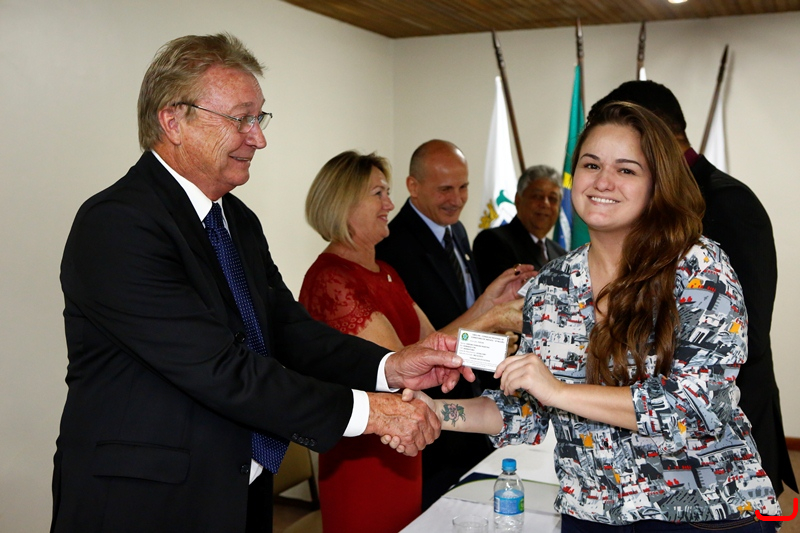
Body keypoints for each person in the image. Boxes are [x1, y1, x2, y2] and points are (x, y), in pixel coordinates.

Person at [51, 33, 472, 533]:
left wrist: (389, 367)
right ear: (173, 121)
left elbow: (288, 330)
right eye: (240, 119)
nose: (258, 138)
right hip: (145, 502)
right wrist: (370, 413)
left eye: (259, 118)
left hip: (238, 487)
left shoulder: (237, 220)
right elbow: (218, 368)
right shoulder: (118, 224)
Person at [396, 102, 782, 530]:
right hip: (590, 514)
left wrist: (558, 391)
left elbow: (692, 406)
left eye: (626, 169)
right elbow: (522, 411)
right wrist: (435, 411)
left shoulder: (698, 268)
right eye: (591, 164)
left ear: (657, 184)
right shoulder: (551, 284)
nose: (602, 181)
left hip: (701, 514)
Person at [298, 150, 531, 533]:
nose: (390, 205)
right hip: (366, 452)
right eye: (378, 194)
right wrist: (493, 319)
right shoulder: (332, 278)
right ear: (344, 203)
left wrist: (490, 302)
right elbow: (401, 362)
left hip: (406, 440)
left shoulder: (384, 271)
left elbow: (433, 342)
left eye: (388, 193)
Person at [589, 80, 796, 497]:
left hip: (722, 435)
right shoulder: (648, 200)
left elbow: (749, 335)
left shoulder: (727, 203)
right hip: (652, 439)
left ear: (654, 132)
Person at [375, 139, 500, 507]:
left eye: (463, 187)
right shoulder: (393, 245)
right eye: (445, 189)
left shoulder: (456, 231)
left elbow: (466, 309)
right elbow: (428, 338)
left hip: (470, 405)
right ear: (413, 186)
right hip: (432, 416)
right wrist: (493, 318)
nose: (457, 199)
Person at [473, 164, 568, 288]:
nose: (545, 204)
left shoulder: (561, 254)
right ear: (518, 200)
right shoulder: (492, 241)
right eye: (537, 196)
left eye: (553, 199)